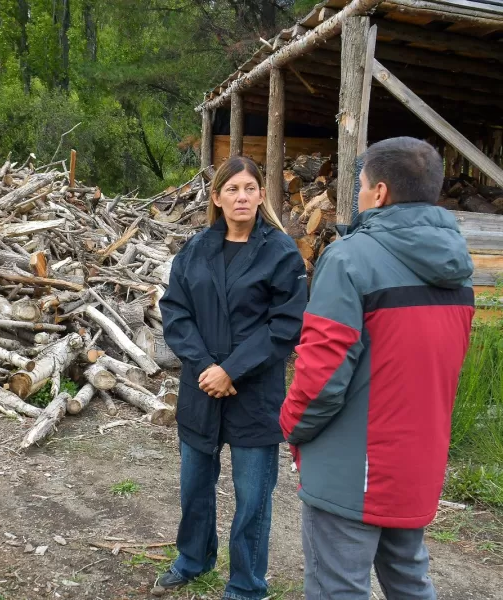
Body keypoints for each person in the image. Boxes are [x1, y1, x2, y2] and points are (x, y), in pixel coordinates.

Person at [280, 137, 475, 599]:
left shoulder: (349, 259)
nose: (361, 196)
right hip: (418, 463)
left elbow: (321, 378)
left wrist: (291, 424)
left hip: (351, 470)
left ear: (380, 192)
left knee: (338, 587)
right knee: (409, 580)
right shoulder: (459, 269)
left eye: (362, 186)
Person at [155, 156, 308, 599]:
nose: (242, 197)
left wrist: (231, 370)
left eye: (250, 188)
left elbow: (285, 325)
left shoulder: (280, 252)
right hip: (201, 388)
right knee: (194, 487)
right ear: (216, 197)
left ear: (262, 195)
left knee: (253, 498)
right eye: (232, 189)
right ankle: (193, 558)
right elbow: (175, 312)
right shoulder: (197, 249)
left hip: (253, 390)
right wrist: (206, 368)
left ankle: (245, 584)